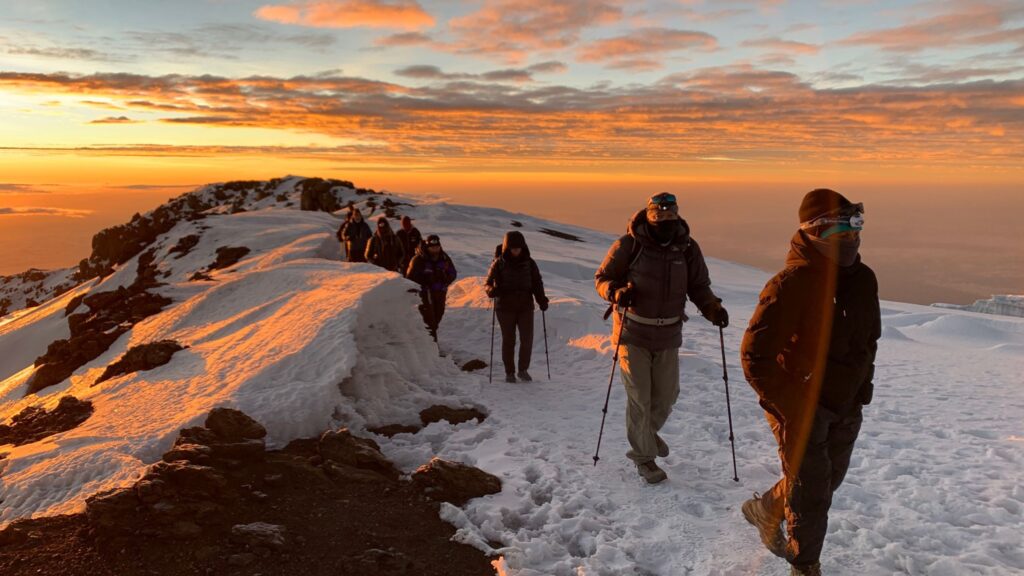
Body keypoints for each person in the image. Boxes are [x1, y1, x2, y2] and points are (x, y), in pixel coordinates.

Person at [739, 189, 880, 576]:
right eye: (843, 231)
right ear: (816, 232)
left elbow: (869, 339)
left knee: (827, 480)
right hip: (801, 406)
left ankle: (766, 507)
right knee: (811, 492)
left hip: (846, 403)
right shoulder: (792, 283)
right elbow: (755, 356)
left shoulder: (863, 279)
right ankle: (804, 565)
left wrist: (861, 390)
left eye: (856, 228)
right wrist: (792, 404)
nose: (852, 238)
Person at [594, 192, 727, 484]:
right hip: (632, 333)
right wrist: (616, 292)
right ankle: (644, 458)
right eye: (659, 216)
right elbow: (602, 278)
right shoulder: (629, 245)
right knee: (640, 398)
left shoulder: (687, 248)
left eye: (670, 216)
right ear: (650, 216)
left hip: (668, 334)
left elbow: (699, 286)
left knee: (666, 397)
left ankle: (647, 436)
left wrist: (711, 307)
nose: (665, 222)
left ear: (677, 215)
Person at [485, 231, 549, 383]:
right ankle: (509, 372)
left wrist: (542, 300)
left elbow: (537, 283)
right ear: (507, 247)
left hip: (525, 306)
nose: (516, 250)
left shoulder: (530, 263)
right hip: (505, 308)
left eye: (518, 248)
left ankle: (523, 370)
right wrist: (492, 291)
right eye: (513, 248)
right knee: (509, 340)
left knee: (527, 339)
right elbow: (487, 284)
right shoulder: (498, 263)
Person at [406, 234, 457, 340]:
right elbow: (410, 278)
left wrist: (445, 279)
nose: (435, 249)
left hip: (440, 292)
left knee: (438, 316)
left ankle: (427, 343)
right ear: (428, 247)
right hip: (425, 293)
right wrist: (425, 281)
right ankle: (432, 347)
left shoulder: (444, 257)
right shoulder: (418, 259)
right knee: (430, 320)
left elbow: (453, 272)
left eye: (437, 247)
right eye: (433, 247)